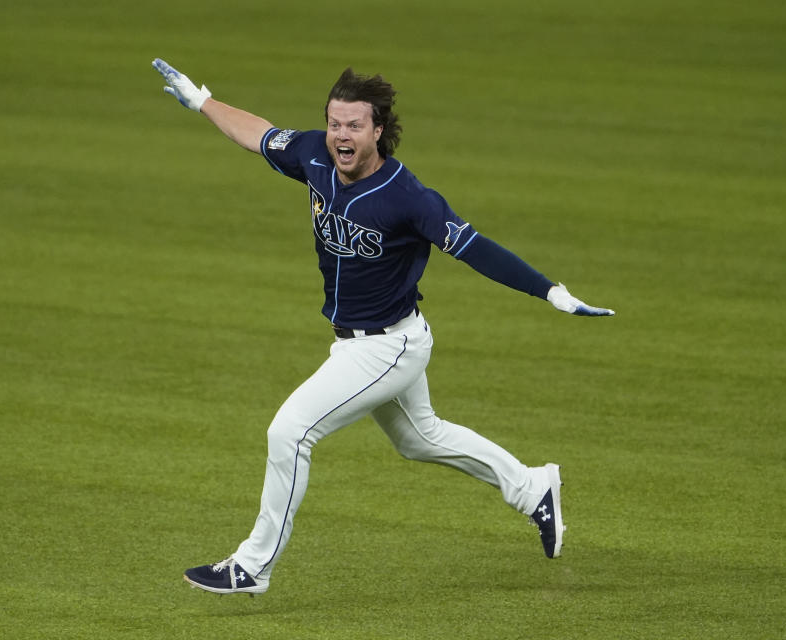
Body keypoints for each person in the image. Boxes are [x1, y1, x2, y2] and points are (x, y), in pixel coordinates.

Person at [151, 58, 615, 596]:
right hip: (365, 342)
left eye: (353, 126)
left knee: (290, 432)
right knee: (422, 439)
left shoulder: (408, 198)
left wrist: (551, 291)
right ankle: (533, 486)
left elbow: (476, 249)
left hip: (387, 349)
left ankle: (253, 566)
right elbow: (260, 135)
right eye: (334, 123)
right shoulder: (314, 156)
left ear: (377, 131)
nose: (340, 135)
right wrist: (202, 101)